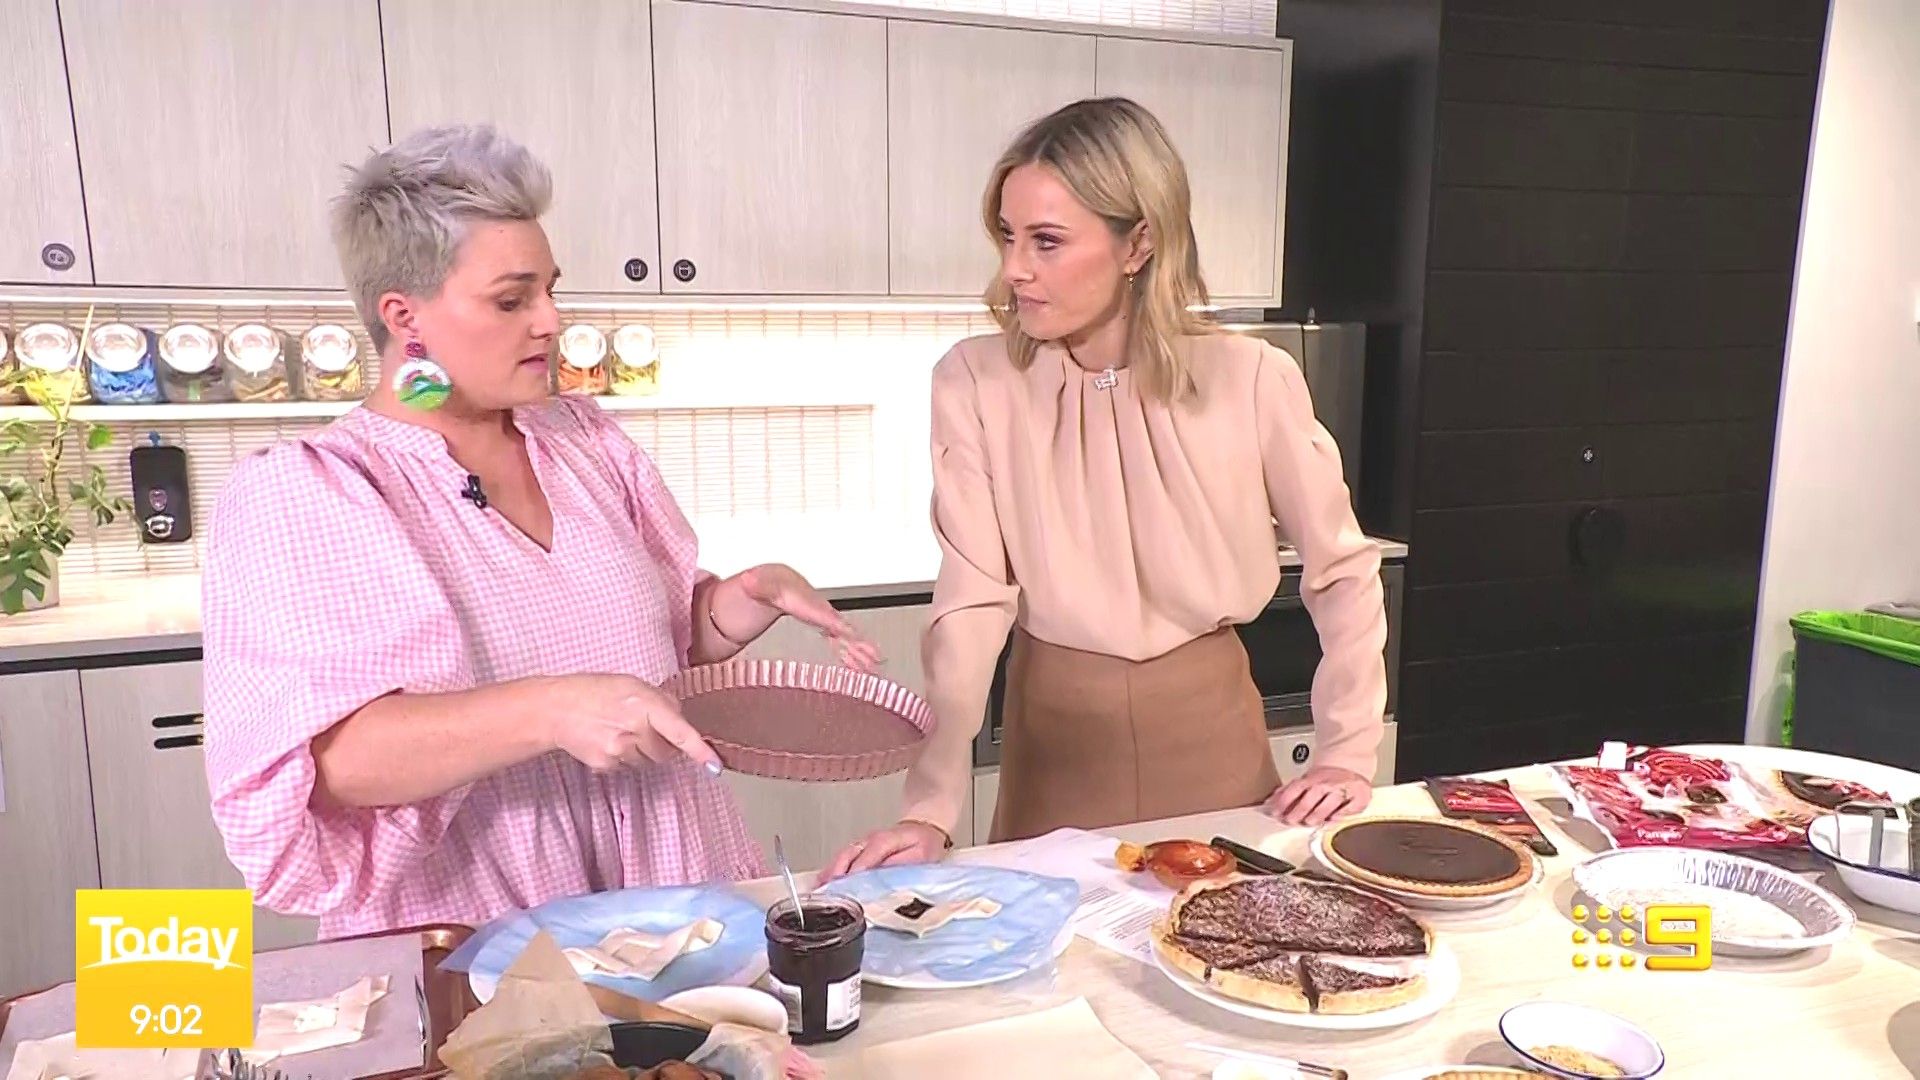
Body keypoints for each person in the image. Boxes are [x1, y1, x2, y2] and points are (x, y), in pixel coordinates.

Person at [201, 124, 877, 937]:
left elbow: (658, 646)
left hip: (669, 890)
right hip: (476, 910)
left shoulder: (586, 443)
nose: (552, 321)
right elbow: (333, 764)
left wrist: (743, 598)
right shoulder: (312, 493)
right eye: (511, 299)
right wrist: (553, 712)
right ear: (404, 316)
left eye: (551, 290)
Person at [825, 98, 1387, 878]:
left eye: (1047, 241)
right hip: (1054, 750)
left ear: (1139, 243)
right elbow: (971, 604)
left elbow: (1342, 570)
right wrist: (930, 807)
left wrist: (1348, 751)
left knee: (1216, 932)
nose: (1015, 268)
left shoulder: (1252, 377)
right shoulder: (974, 381)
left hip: (1214, 741)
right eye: (1009, 236)